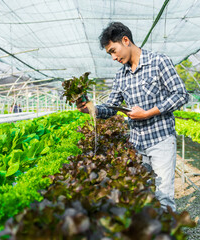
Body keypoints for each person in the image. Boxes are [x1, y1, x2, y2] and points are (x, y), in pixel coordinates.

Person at [77, 22, 189, 212]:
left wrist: (147, 113)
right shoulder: (121, 76)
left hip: (161, 140)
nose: (113, 57)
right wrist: (91, 109)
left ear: (126, 40)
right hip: (136, 143)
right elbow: (112, 107)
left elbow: (181, 95)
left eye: (114, 51)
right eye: (109, 54)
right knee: (140, 194)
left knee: (163, 196)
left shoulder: (159, 62)